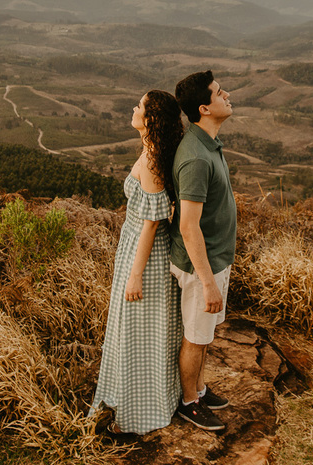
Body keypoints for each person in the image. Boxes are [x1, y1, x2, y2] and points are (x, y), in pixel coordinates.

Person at [92, 90, 184, 435]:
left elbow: (151, 222)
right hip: (136, 246)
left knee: (141, 330)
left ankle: (139, 411)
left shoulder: (152, 158)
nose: (133, 108)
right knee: (141, 329)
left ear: (151, 119)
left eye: (140, 106)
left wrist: (135, 275)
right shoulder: (151, 151)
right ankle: (136, 397)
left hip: (146, 253)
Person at [169, 70, 236, 432]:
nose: (227, 95)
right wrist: (208, 282)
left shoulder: (207, 143)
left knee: (205, 333)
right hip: (201, 268)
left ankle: (199, 388)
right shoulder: (196, 157)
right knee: (196, 337)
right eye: (219, 93)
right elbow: (188, 226)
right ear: (204, 108)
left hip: (214, 261)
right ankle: (189, 403)